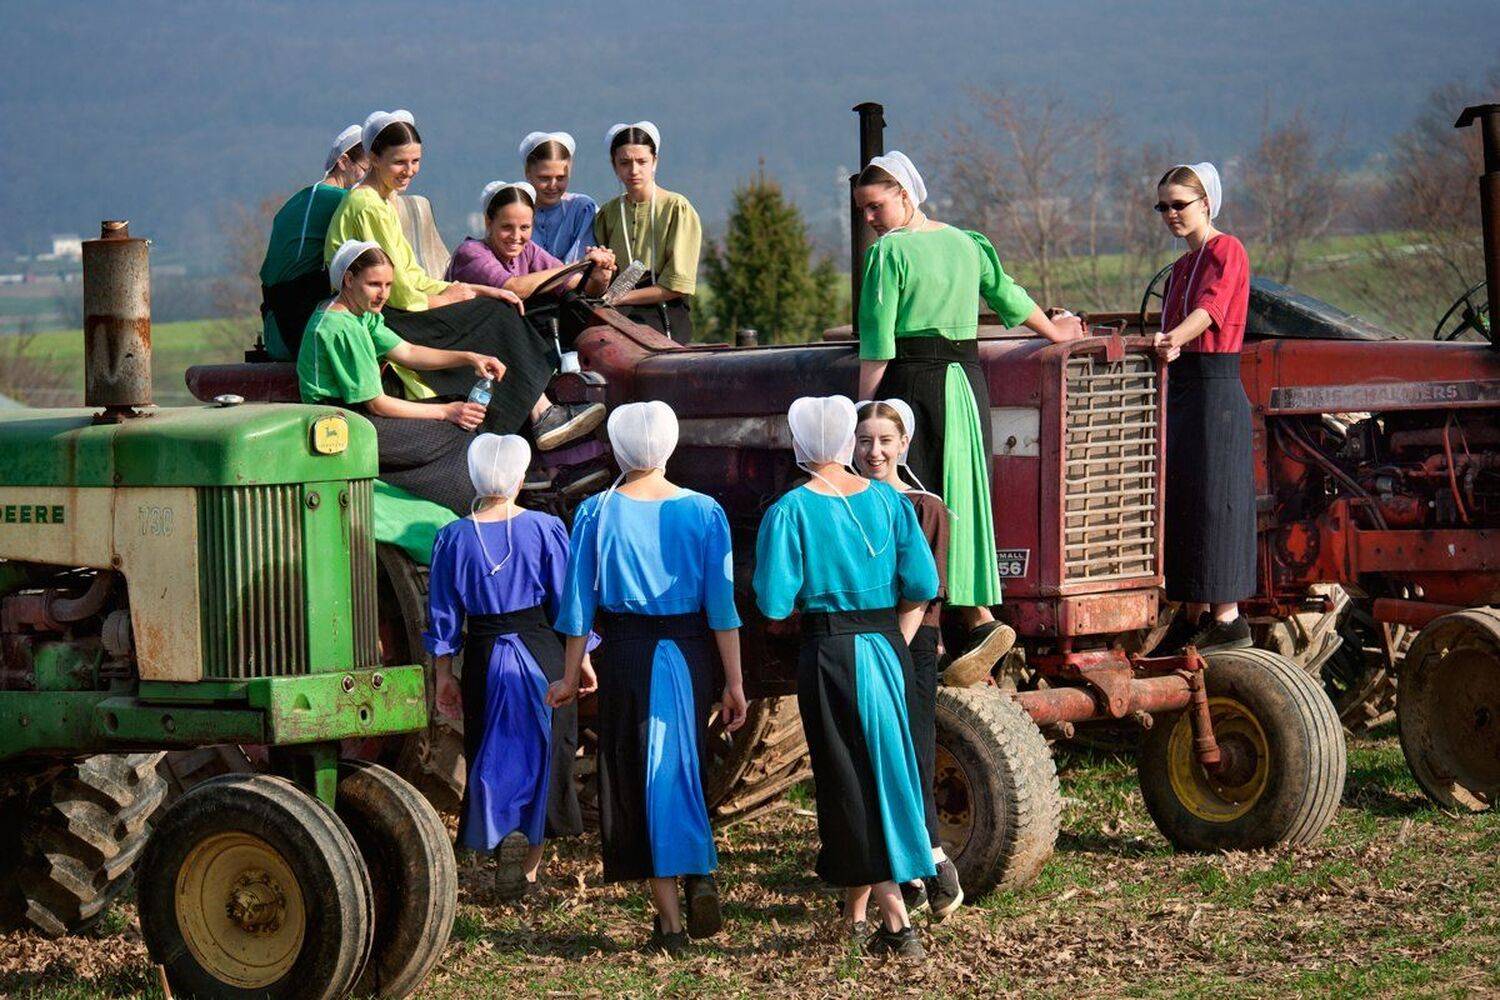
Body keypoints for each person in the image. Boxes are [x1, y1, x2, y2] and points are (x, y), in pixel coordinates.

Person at [853, 151, 1083, 671]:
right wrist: (1054, 331)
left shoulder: (889, 255)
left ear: (904, 195)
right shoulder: (965, 242)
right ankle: (976, 615)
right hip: (967, 381)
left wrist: (864, 410)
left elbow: (878, 345)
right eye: (863, 211)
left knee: (918, 495)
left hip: (916, 383)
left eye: (874, 206)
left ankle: (928, 630)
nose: (869, 220)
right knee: (964, 493)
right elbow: (1009, 296)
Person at [548, 402, 748, 957]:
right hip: (690, 654)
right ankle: (699, 867)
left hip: (629, 654)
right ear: (671, 445)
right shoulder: (707, 512)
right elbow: (723, 609)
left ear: (616, 449)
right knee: (682, 763)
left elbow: (576, 609)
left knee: (638, 777)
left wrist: (569, 676)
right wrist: (734, 682)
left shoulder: (594, 512)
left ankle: (670, 922)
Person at [754, 395, 939, 959]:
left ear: (801, 442)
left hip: (830, 651)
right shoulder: (888, 500)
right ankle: (859, 918)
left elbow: (773, 601)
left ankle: (898, 923)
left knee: (847, 782)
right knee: (881, 771)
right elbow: (923, 583)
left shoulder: (791, 510)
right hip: (887, 649)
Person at [324, 110, 600, 450]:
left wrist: (475, 290)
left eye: (415, 161)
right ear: (375, 158)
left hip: (405, 304)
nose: (409, 170)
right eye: (400, 162)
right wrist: (453, 299)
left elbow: (413, 276)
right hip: (387, 315)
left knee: (496, 305)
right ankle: (538, 414)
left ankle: (537, 414)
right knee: (496, 314)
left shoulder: (383, 201)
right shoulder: (366, 205)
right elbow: (395, 291)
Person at [424, 434, 592, 900]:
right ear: (521, 479)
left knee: (491, 753)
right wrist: (585, 660)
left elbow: (441, 615)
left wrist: (443, 675)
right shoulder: (545, 527)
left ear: (475, 478)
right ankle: (531, 870)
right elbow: (569, 602)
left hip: (482, 653)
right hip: (543, 651)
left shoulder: (453, 537)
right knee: (549, 752)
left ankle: (504, 840)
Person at [853, 398, 965, 921]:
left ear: (904, 444)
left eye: (884, 440)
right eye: (864, 440)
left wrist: (894, 652)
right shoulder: (845, 504)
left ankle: (936, 865)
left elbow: (922, 594)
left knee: (913, 753)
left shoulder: (926, 507)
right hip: (864, 640)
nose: (874, 451)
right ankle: (903, 874)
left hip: (908, 642)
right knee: (871, 759)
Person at [297, 239, 501, 514]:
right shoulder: (341, 326)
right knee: (455, 430)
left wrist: (469, 357)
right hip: (338, 424)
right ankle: (458, 512)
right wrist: (447, 412)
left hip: (357, 414)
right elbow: (377, 404)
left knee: (462, 408)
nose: (383, 294)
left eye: (388, 285)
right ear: (348, 280)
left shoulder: (360, 313)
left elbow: (408, 351)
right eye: (374, 284)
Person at [1146, 162, 1256, 655]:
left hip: (1214, 386)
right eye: (1163, 206)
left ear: (1205, 204)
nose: (1170, 214)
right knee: (1183, 498)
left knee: (1217, 499)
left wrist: (1173, 340)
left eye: (1179, 204)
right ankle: (1191, 614)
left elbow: (1210, 311)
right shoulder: (1180, 268)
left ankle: (1228, 618)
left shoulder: (1226, 250)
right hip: (1183, 388)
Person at [257, 123, 368, 360]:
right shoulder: (348, 201)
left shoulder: (296, 200)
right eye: (365, 170)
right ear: (344, 161)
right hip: (305, 326)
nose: (367, 180)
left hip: (275, 328)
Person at [593, 122, 702, 344]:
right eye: (625, 163)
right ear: (614, 165)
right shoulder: (608, 212)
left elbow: (677, 285)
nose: (633, 170)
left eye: (642, 161)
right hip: (616, 310)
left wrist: (619, 298)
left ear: (655, 161)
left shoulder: (676, 208)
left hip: (664, 312)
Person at [446, 180, 616, 301]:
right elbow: (513, 288)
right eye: (506, 227)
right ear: (489, 222)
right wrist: (578, 264)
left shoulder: (528, 250)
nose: (516, 236)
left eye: (525, 227)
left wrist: (600, 277)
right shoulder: (471, 252)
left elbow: (579, 286)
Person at [520, 131, 598, 263]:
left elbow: (581, 262)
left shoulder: (581, 209)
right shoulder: (516, 210)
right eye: (544, 178)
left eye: (560, 178)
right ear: (528, 173)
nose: (552, 185)